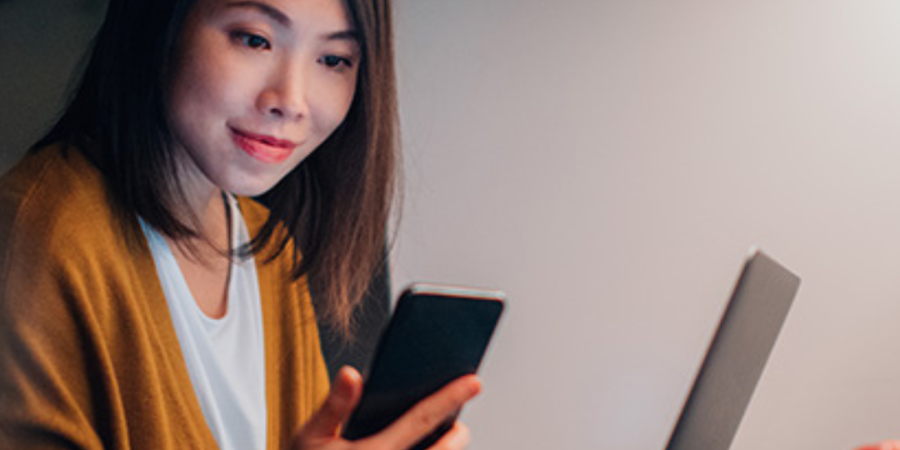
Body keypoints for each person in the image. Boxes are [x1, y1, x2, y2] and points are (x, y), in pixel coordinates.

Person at [0, 0, 480, 449]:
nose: (291, 101)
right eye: (255, 39)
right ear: (163, 22)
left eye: (334, 60)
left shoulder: (270, 250)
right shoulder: (37, 238)